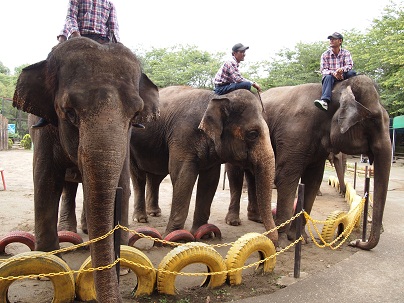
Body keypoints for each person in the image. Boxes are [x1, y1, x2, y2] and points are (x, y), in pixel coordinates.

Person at [32, 0, 120, 128]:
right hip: (78, 38)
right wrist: (74, 34)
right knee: (51, 61)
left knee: (125, 68)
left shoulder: (109, 4)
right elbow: (70, 17)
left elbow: (113, 27)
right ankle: (46, 112)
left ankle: (131, 110)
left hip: (102, 42)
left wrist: (117, 46)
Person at [314, 32, 356, 111]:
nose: (331, 41)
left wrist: (341, 70)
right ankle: (325, 101)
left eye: (333, 39)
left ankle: (353, 93)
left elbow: (349, 65)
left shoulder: (346, 53)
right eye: (330, 39)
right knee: (327, 77)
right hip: (331, 75)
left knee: (352, 73)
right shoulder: (325, 54)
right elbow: (323, 69)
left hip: (343, 74)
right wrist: (334, 73)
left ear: (340, 41)